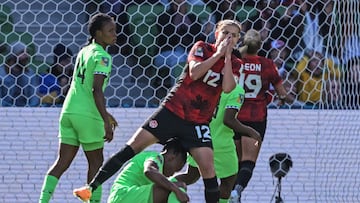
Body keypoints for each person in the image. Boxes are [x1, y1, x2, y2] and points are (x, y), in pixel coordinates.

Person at [73, 19, 243, 203]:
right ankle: (90, 188)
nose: (228, 38)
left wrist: (225, 58)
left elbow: (227, 88)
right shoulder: (201, 48)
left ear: (237, 40)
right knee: (132, 147)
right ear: (216, 33)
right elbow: (195, 73)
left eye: (233, 35)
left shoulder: (235, 63)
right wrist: (217, 54)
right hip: (172, 111)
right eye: (225, 32)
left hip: (198, 122)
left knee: (208, 170)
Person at [39, 13, 117, 203]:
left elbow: (84, 87)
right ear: (98, 34)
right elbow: (95, 89)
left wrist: (106, 113)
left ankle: (42, 201)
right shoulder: (103, 57)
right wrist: (105, 121)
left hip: (68, 111)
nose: (115, 34)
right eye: (110, 31)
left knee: (61, 163)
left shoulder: (84, 51)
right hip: (87, 115)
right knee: (97, 163)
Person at [174, 84, 262, 203]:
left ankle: (160, 187)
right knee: (228, 183)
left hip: (200, 139)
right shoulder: (236, 90)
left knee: (190, 176)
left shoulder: (208, 85)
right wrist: (251, 132)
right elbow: (228, 120)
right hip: (221, 145)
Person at [230, 29, 288, 203]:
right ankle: (236, 193)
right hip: (256, 118)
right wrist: (282, 100)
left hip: (233, 115)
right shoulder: (267, 64)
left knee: (234, 161)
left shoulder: (234, 62)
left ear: (243, 43)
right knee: (248, 161)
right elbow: (282, 94)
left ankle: (231, 195)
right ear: (260, 46)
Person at [107, 138, 189, 203]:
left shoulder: (155, 164)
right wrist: (176, 190)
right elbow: (149, 171)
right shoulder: (156, 157)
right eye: (176, 169)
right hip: (124, 195)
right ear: (173, 156)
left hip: (122, 197)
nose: (172, 174)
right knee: (179, 186)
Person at [0, 41, 40, 107]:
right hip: (5, 111)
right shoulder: (1, 73)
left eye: (27, 52)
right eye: (22, 52)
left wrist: (30, 109)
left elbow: (34, 96)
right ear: (13, 55)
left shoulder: (30, 73)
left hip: (26, 111)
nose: (26, 55)